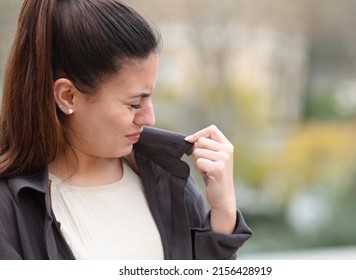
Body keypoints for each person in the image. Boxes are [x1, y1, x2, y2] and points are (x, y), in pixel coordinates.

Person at [0, 0, 252, 260]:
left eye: (150, 99)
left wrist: (223, 213)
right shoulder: (10, 211)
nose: (150, 118)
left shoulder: (166, 175)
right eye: (134, 103)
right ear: (67, 97)